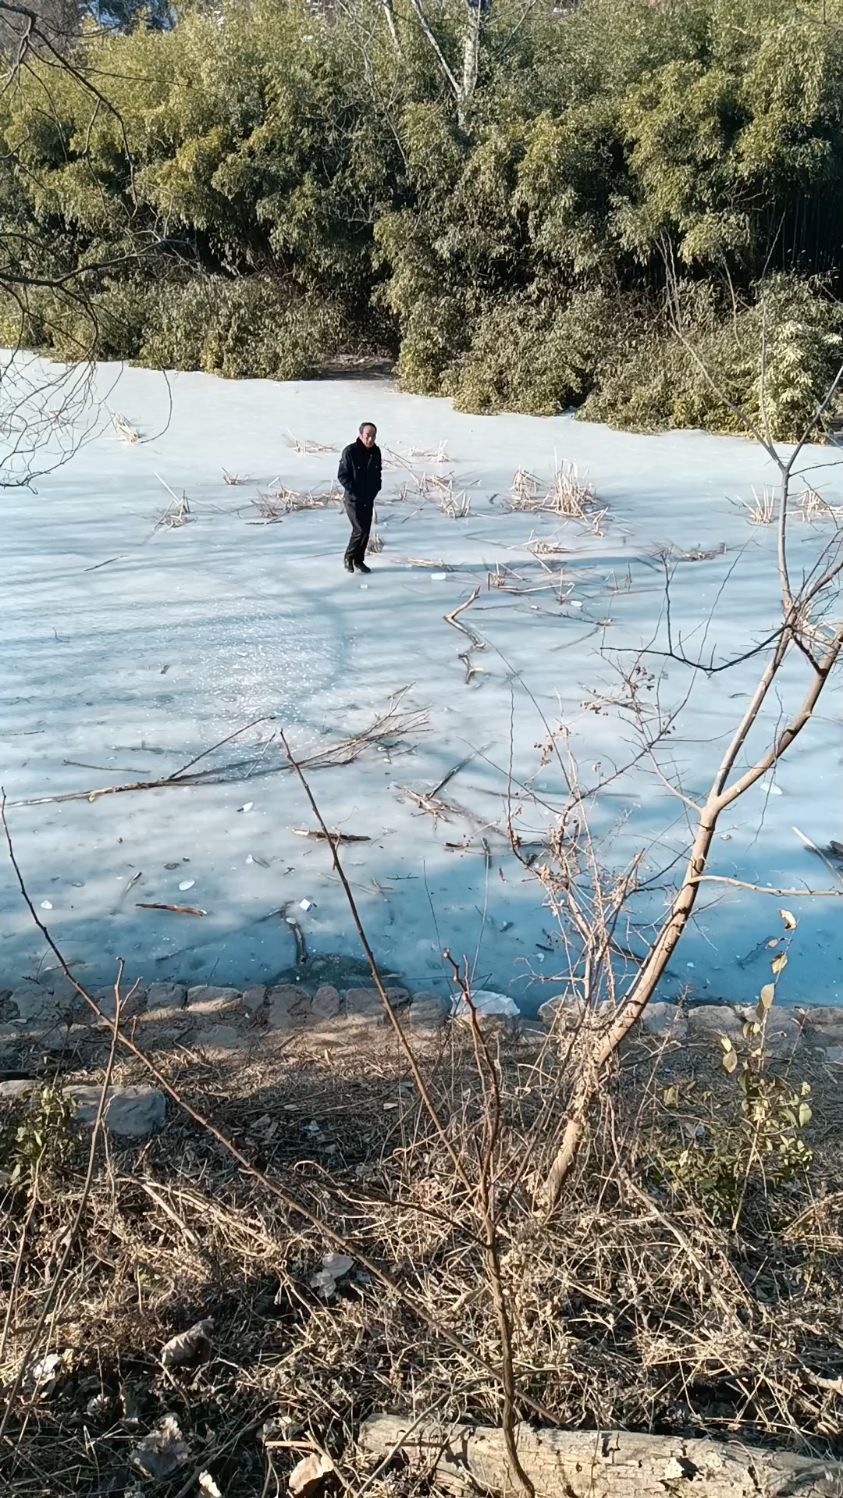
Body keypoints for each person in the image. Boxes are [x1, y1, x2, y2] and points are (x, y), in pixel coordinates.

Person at [338, 421, 381, 574]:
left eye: (373, 436)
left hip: (368, 498)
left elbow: (377, 475)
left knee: (366, 531)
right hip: (353, 499)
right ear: (361, 435)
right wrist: (354, 491)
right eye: (367, 436)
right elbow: (342, 476)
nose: (370, 439)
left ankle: (359, 560)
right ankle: (348, 558)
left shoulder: (376, 452)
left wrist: (375, 489)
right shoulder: (350, 452)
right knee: (359, 529)